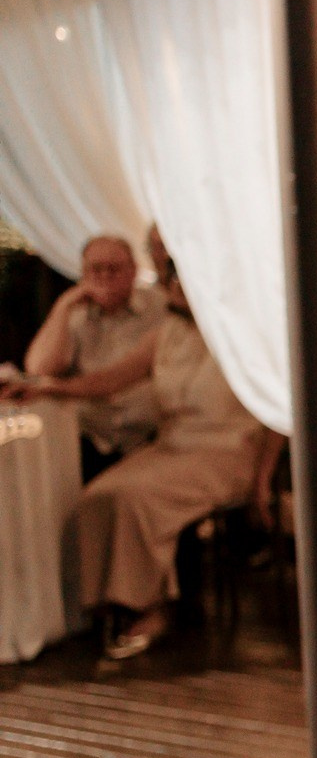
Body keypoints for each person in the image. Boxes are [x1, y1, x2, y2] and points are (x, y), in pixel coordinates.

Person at [3, 264, 279, 659]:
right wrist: (51, 388)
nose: (175, 288)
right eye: (172, 280)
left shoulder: (248, 338)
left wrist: (264, 479)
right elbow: (110, 380)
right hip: (171, 446)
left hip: (228, 451)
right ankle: (110, 604)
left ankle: (150, 609)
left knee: (137, 497)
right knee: (97, 494)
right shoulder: (165, 334)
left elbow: (279, 416)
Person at [21, 234, 166, 480]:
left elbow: (119, 377)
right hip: (91, 441)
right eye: (95, 269)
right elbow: (38, 369)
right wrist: (63, 306)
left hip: (149, 438)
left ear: (133, 271)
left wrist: (56, 388)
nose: (104, 277)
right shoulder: (75, 315)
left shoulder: (159, 307)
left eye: (113, 269)